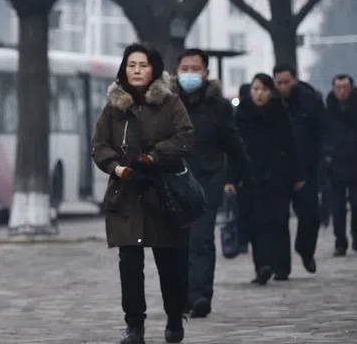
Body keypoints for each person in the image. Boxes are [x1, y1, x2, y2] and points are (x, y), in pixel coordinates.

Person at [91, 43, 195, 344]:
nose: (136, 71)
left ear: (154, 69)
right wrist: (115, 167)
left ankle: (175, 317)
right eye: (131, 65)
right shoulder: (114, 107)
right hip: (126, 195)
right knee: (130, 265)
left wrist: (152, 158)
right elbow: (99, 145)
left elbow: (185, 138)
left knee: (170, 264)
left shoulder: (170, 103)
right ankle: (134, 327)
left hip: (163, 194)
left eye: (143, 65)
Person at [173, 49, 249, 319]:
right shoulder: (168, 103)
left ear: (206, 73)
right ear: (177, 70)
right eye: (185, 68)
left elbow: (233, 143)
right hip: (174, 182)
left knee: (201, 239)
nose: (190, 74)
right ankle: (180, 298)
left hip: (208, 179)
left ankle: (200, 295)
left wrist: (238, 176)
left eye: (195, 69)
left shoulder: (218, 106)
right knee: (177, 243)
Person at [234, 75, 304, 285]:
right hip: (250, 177)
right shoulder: (242, 114)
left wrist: (298, 175)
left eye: (264, 89)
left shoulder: (279, 112)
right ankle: (262, 266)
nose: (259, 93)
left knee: (278, 222)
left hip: (278, 176)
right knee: (255, 223)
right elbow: (233, 148)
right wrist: (231, 178)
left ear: (270, 92)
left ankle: (282, 266)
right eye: (255, 89)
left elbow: (291, 144)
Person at [273, 63, 326, 275]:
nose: (283, 87)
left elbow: (322, 132)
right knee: (278, 219)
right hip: (279, 169)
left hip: (306, 168)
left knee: (310, 216)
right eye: (279, 83)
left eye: (286, 82)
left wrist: (320, 162)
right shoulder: (272, 101)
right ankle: (281, 267)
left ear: (295, 80)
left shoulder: (311, 99)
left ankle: (305, 250)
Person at [323, 74, 357, 256]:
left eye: (345, 88)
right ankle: (340, 241)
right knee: (337, 207)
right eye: (338, 88)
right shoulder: (328, 108)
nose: (342, 91)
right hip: (335, 164)